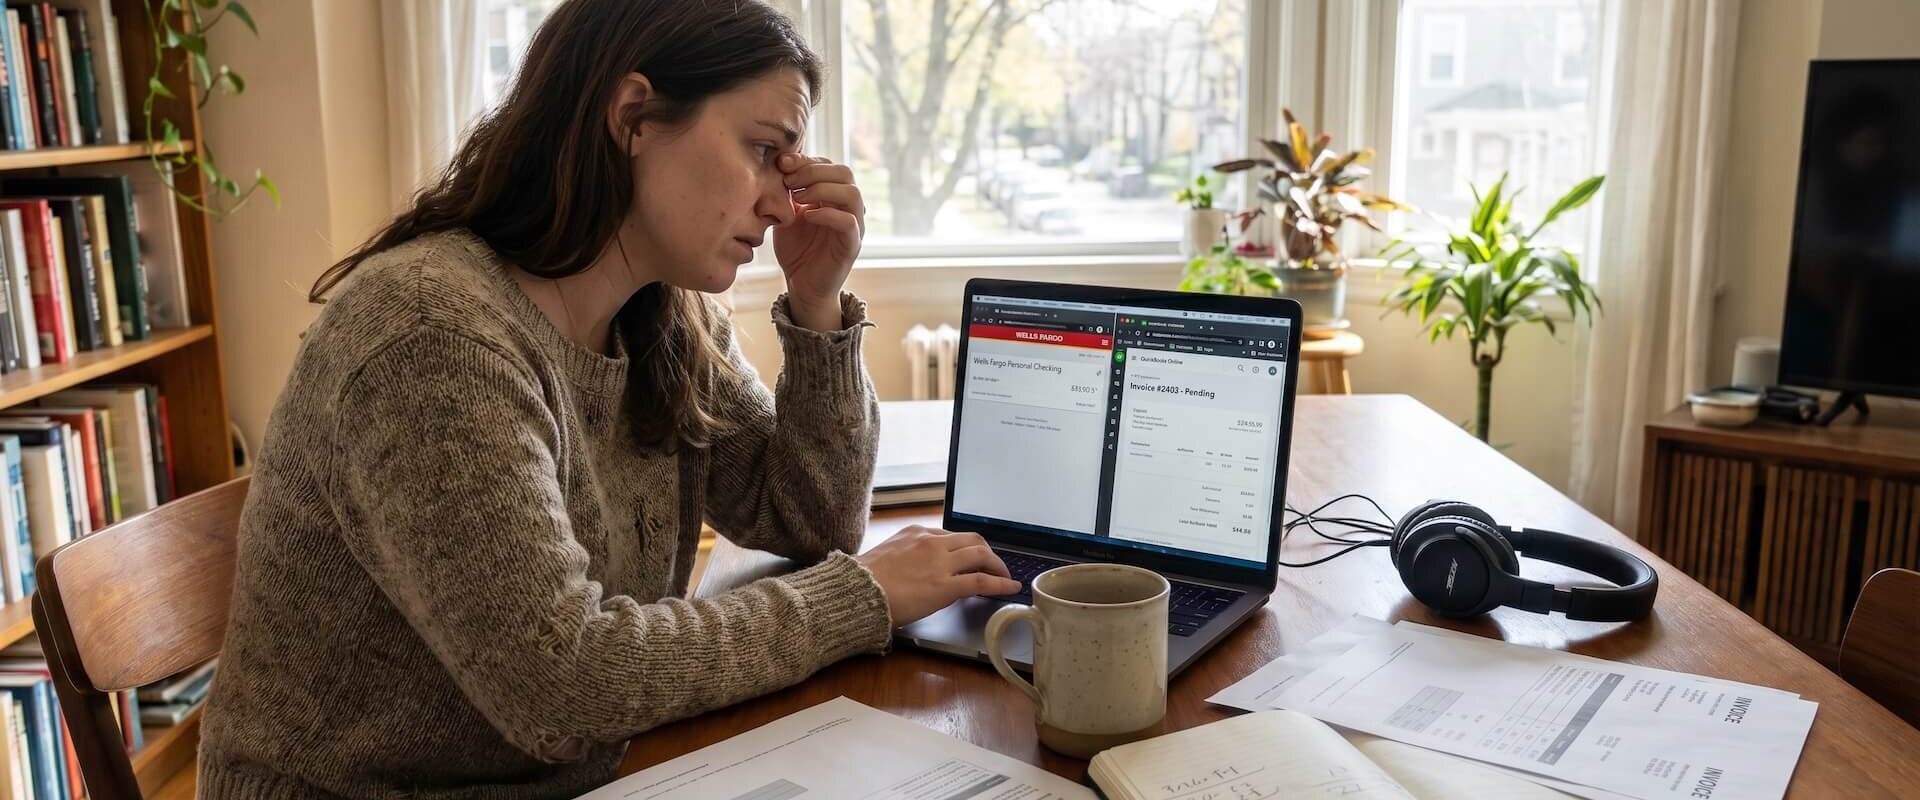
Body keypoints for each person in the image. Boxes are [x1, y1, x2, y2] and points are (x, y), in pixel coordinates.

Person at [196, 1, 1022, 797]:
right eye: (763, 150)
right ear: (633, 117)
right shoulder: (430, 339)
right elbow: (565, 686)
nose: (780, 204)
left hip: (597, 775)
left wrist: (817, 307)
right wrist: (861, 597)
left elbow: (809, 521)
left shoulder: (663, 314)